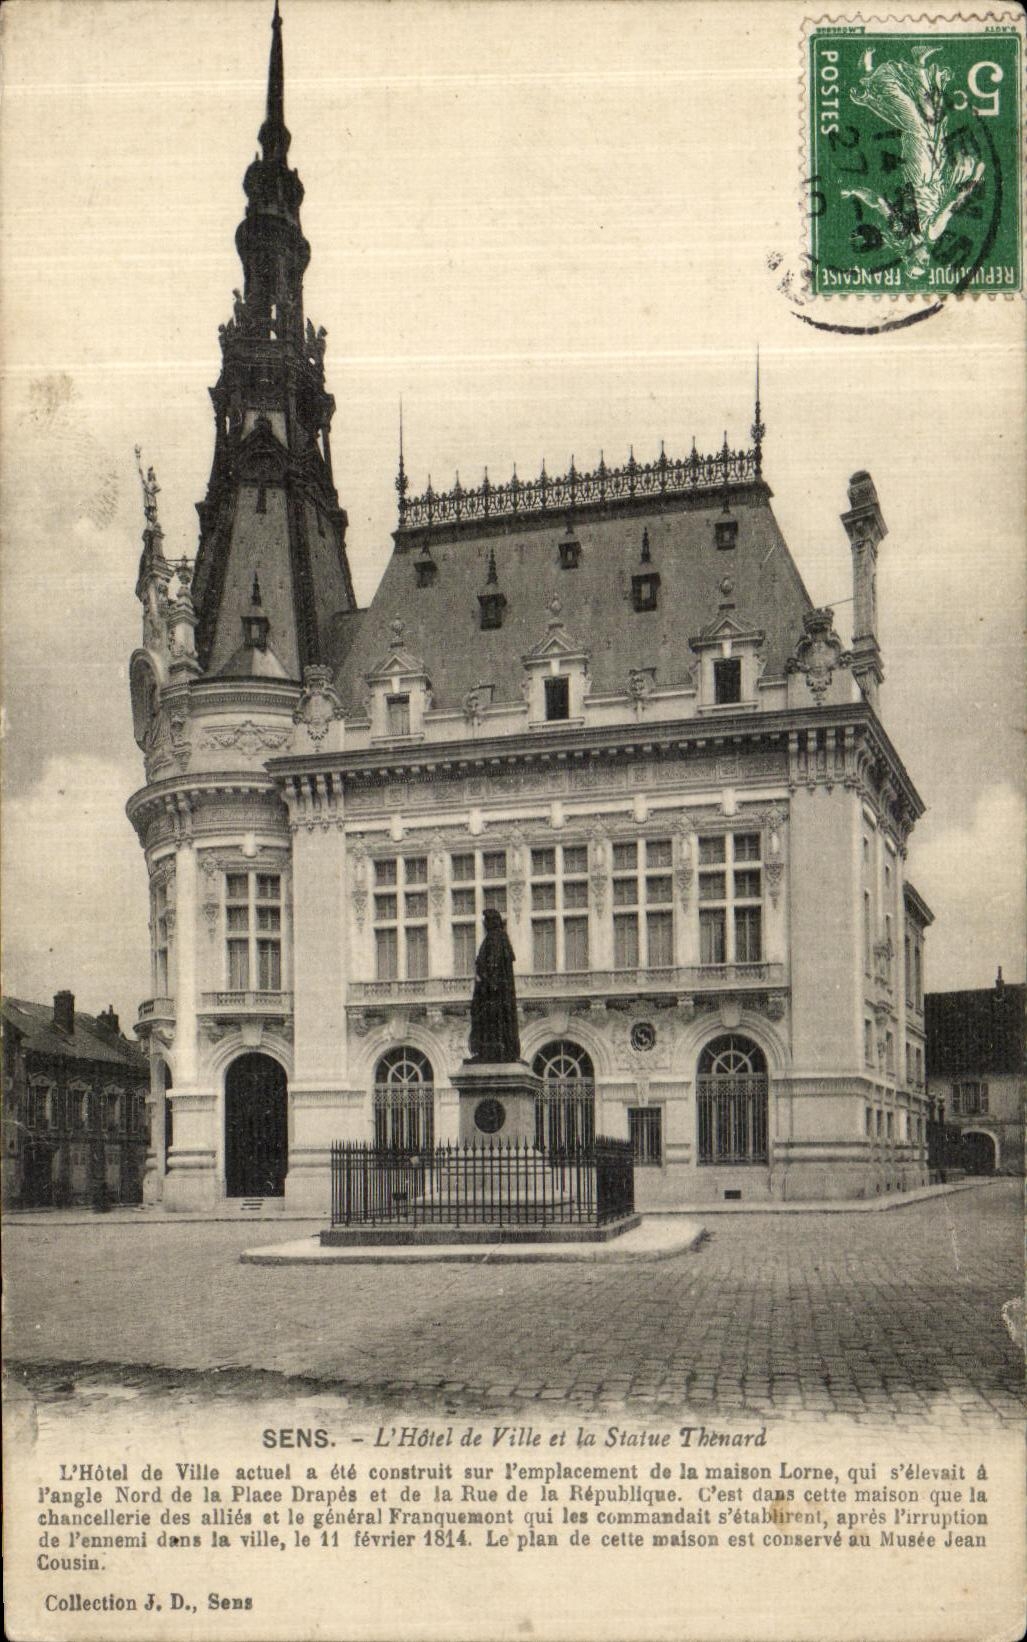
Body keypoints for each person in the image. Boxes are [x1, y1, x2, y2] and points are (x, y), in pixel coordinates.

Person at [468, 908, 520, 1062]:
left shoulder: (495, 938)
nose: (484, 923)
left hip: (491, 992)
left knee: (490, 1020)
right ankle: (496, 1048)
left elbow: (493, 965)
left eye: (486, 920)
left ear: (492, 921)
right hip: (496, 991)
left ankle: (490, 1049)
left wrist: (488, 980)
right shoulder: (500, 938)